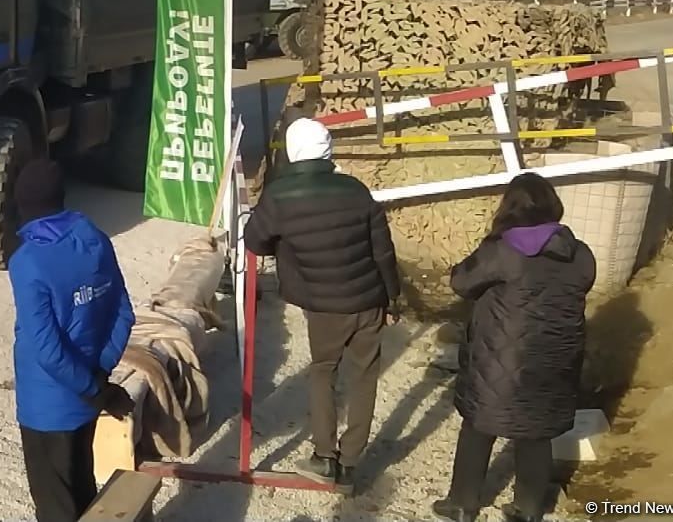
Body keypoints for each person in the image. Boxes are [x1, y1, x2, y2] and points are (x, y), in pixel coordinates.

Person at [244, 117, 401, 493]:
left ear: (294, 152)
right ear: (328, 150)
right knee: (364, 379)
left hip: (324, 305)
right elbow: (383, 251)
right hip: (369, 300)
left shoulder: (279, 195)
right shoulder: (357, 190)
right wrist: (393, 297)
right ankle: (350, 462)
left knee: (323, 372)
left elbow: (255, 240)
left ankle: (323, 457)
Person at [432, 174, 596, 522]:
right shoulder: (579, 253)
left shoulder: (504, 250)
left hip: (500, 360)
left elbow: (461, 281)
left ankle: (463, 503)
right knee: (537, 432)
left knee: (478, 427)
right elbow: (583, 282)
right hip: (555, 359)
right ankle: (530, 509)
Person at [8, 159, 136, 522]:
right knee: (82, 489)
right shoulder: (95, 238)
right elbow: (124, 313)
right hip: (87, 399)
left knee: (55, 506)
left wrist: (89, 385)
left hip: (47, 406)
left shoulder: (28, 262)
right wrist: (99, 376)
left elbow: (45, 347)